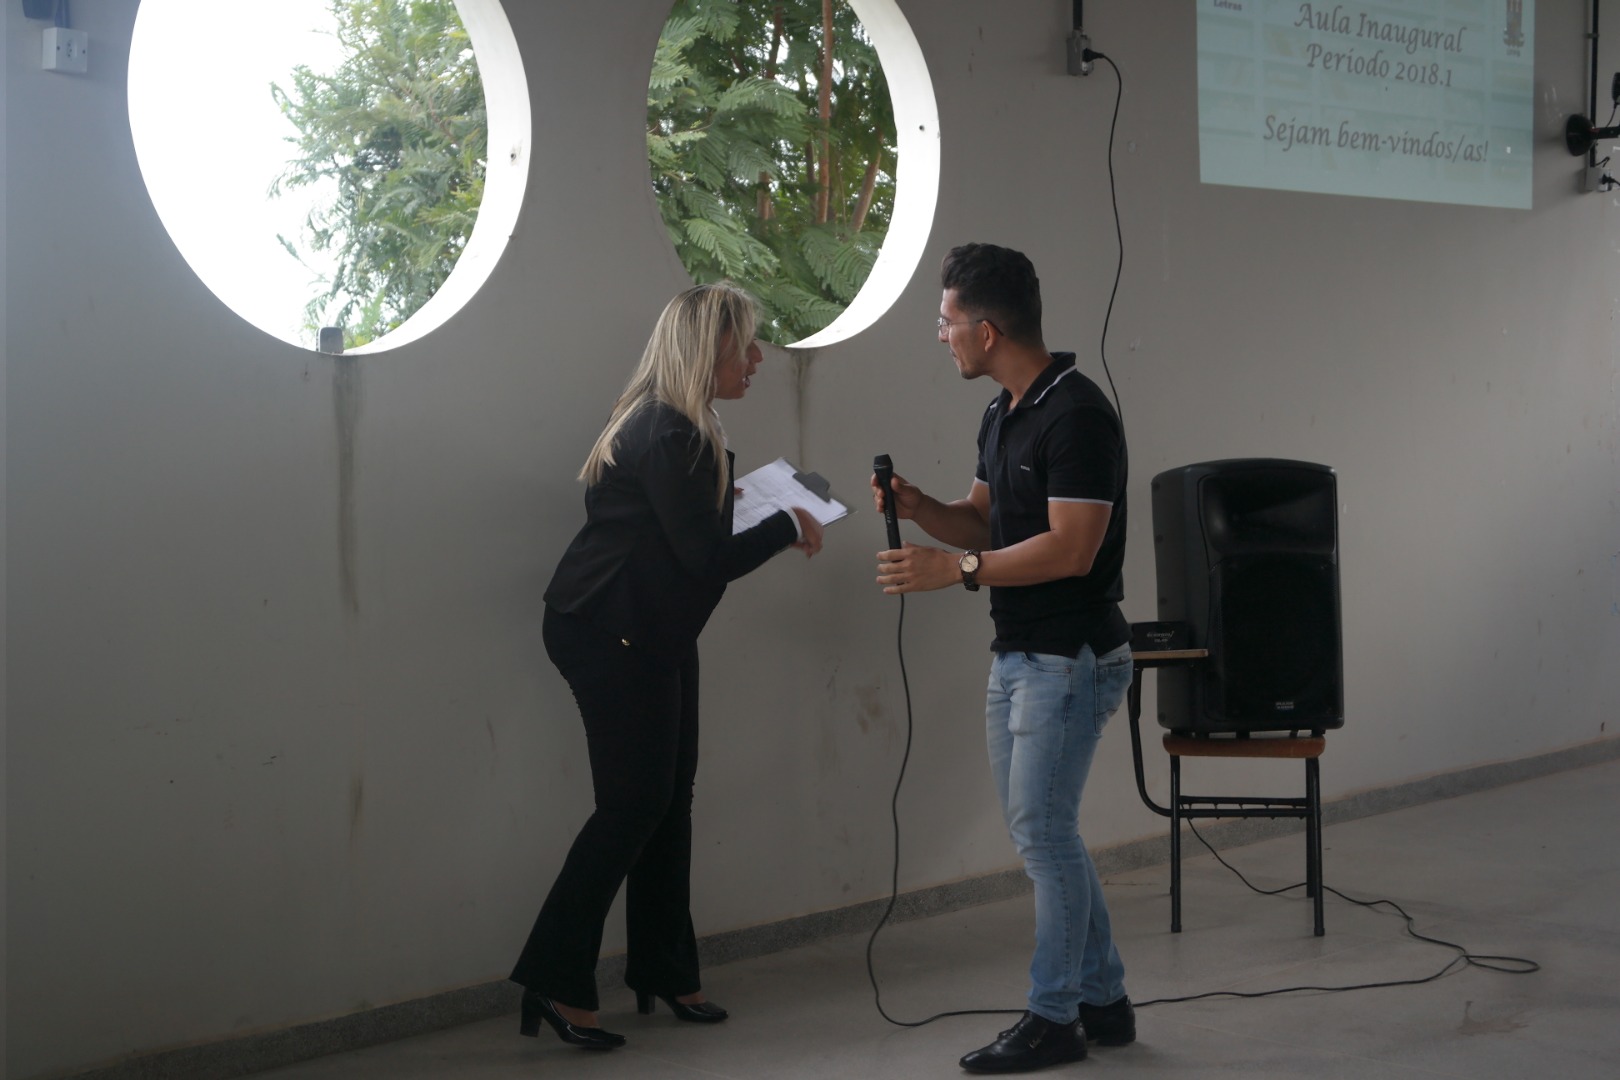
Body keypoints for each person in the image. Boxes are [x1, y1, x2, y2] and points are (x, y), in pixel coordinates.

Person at [511, 282, 824, 1052]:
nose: (757, 359)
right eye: (745, 344)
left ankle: (664, 967)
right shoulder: (668, 429)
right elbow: (706, 558)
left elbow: (680, 530)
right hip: (609, 630)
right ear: (708, 347)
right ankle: (555, 977)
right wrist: (785, 523)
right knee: (633, 807)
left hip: (652, 628)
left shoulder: (683, 424)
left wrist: (747, 504)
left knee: (666, 802)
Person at [872, 244, 1135, 1073]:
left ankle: (1056, 1018)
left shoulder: (1077, 415)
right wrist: (922, 508)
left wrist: (954, 570)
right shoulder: (1002, 412)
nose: (940, 335)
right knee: (1044, 833)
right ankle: (1105, 1001)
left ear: (985, 331)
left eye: (946, 321)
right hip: (1021, 652)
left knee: (1044, 836)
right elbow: (984, 523)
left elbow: (1072, 549)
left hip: (1072, 655)